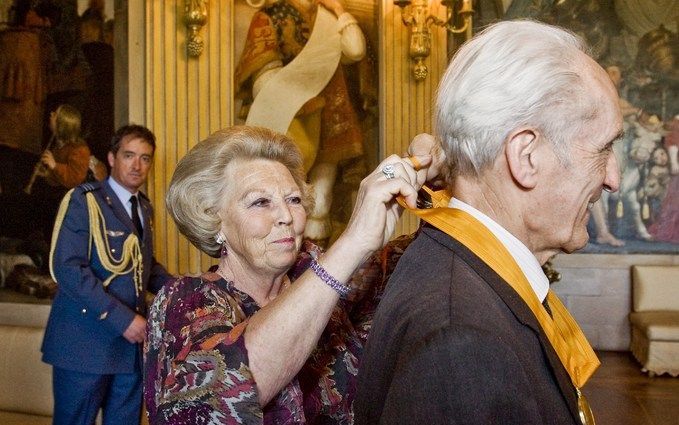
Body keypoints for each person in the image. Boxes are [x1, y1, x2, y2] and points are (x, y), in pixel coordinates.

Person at [354, 20, 623, 425]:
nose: (613, 179)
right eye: (603, 149)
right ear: (526, 156)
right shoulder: (461, 343)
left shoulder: (460, 267)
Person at [143, 125, 430, 424]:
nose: (286, 216)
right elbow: (212, 400)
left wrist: (442, 176)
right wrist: (352, 241)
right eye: (260, 202)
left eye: (293, 200)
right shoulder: (187, 302)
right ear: (214, 220)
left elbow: (422, 257)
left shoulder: (319, 273)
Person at [41, 124, 172, 425]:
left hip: (129, 352)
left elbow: (145, 266)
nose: (137, 165)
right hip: (85, 346)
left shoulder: (144, 208)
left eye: (145, 158)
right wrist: (123, 319)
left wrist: (186, 288)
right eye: (129, 155)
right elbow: (68, 269)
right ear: (112, 158)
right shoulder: (84, 200)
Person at [235, 0, 368, 243]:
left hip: (332, 117)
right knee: (283, 200)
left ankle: (316, 264)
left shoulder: (328, 20)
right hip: (290, 121)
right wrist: (300, 101)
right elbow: (263, 81)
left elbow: (356, 49)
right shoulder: (269, 16)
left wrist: (339, 11)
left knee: (322, 201)